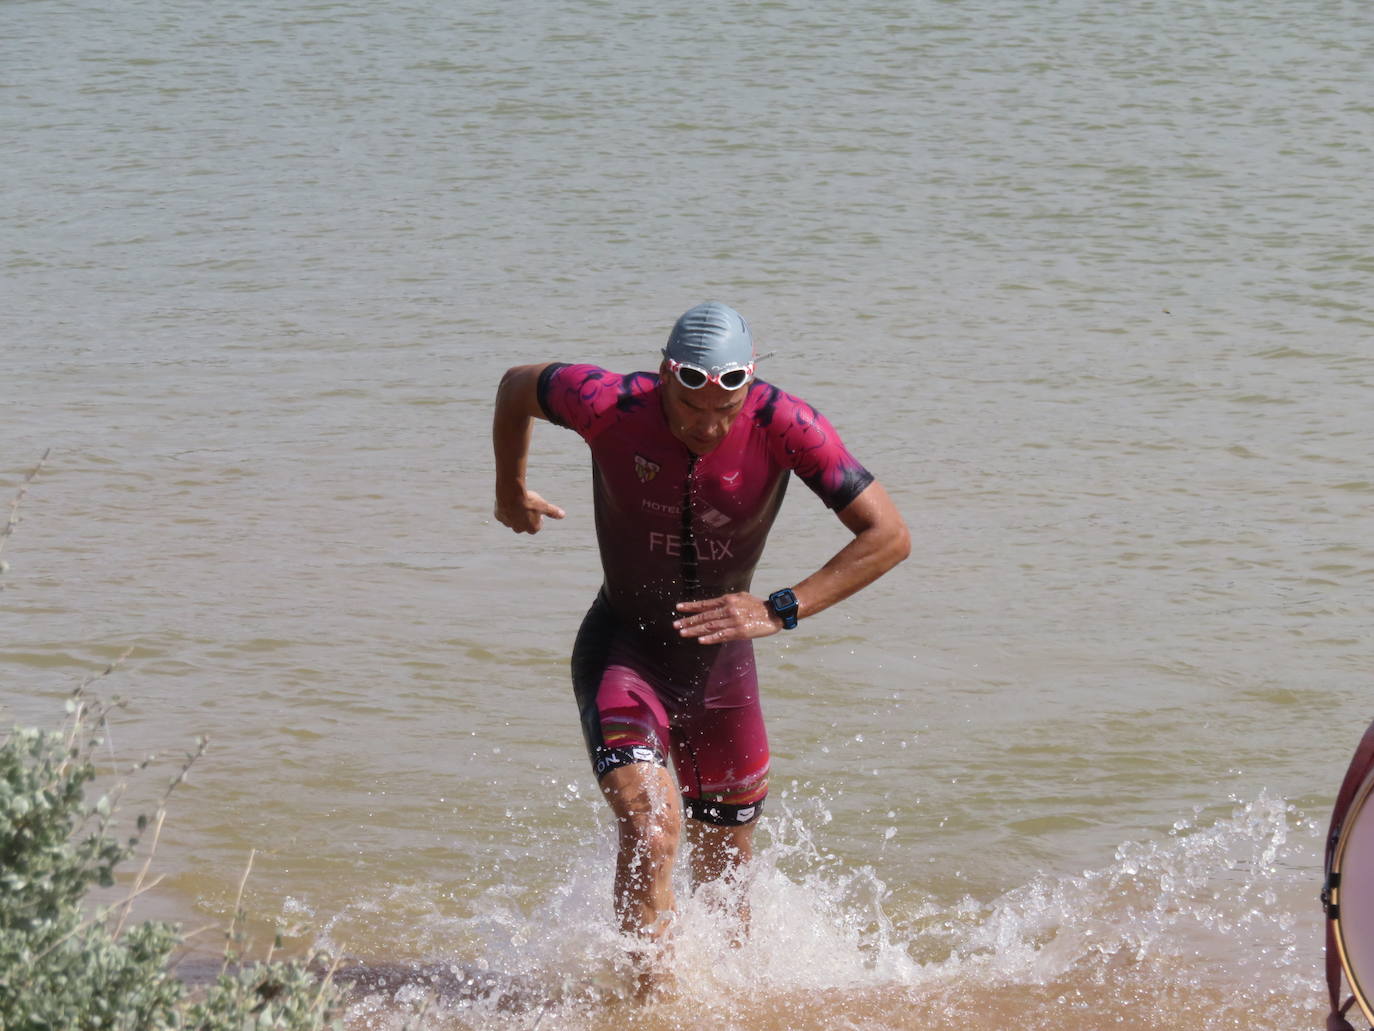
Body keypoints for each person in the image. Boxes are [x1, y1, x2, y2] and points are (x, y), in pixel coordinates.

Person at [491, 301, 909, 988]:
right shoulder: (609, 402)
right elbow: (515, 387)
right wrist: (510, 488)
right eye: (689, 407)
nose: (709, 426)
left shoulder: (785, 424)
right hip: (625, 648)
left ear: (749, 387)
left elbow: (888, 534)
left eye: (726, 408)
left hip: (723, 674)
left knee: (726, 871)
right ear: (664, 377)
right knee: (654, 831)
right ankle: (644, 1005)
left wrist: (781, 608)